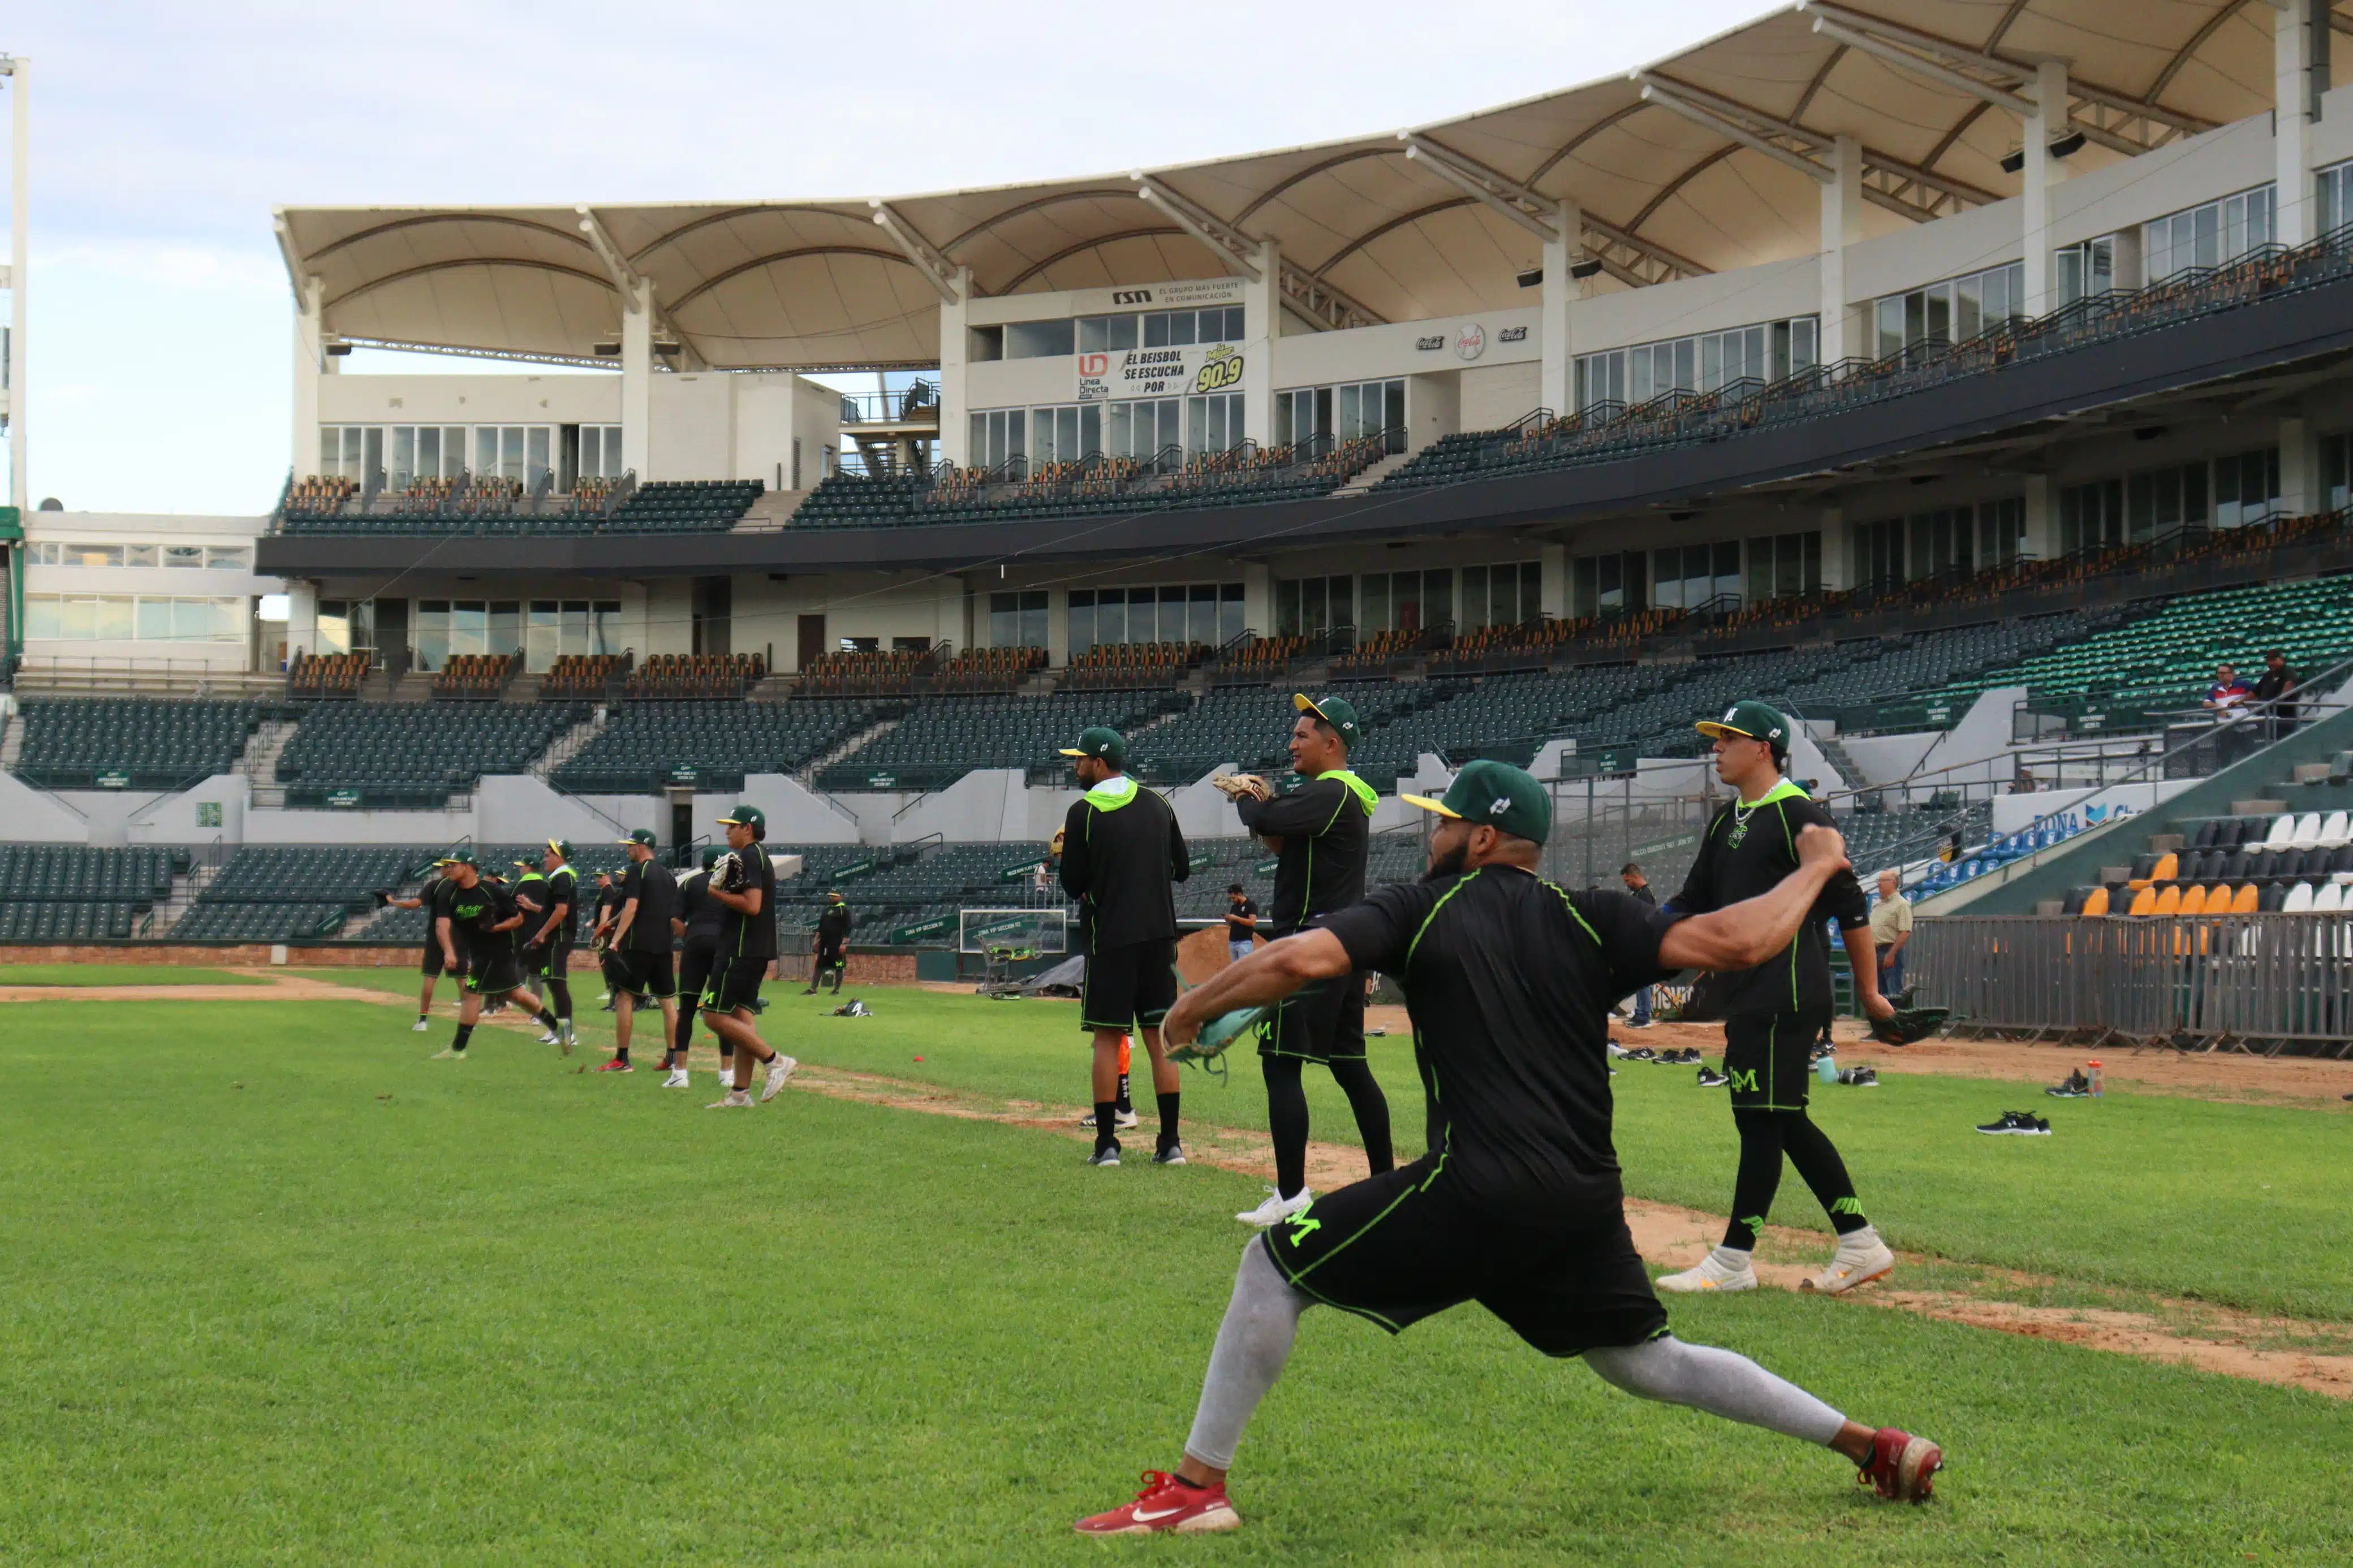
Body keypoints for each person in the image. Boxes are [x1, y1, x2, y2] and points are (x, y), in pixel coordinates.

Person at [1071, 761, 1943, 1535]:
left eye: (1444, 821)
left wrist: (1188, 1011)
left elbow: (1301, 959)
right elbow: (1744, 940)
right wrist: (1823, 865)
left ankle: (1195, 1489)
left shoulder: (1421, 906)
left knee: (1271, 1266)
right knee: (1645, 1359)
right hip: (1581, 1200)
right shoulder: (1595, 915)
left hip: (1476, 1189)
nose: (1433, 833)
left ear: (1483, 835)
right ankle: (1873, 1444)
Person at [1656, 702, 1898, 1298]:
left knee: (1762, 1122)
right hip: (1746, 991)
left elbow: (1852, 909)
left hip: (1787, 989)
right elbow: (1690, 900)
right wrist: (1627, 934)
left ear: (1762, 747)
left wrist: (1868, 993)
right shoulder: (1725, 819)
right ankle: (1858, 1239)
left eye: (1726, 739)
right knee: (1775, 1118)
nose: (1714, 748)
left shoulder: (1801, 816)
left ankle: (1734, 1258)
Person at [1216, 694, 1393, 1225]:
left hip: (1309, 948)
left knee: (1280, 1064)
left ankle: (1292, 1196)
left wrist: (1247, 798)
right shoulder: (1340, 799)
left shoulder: (1332, 792)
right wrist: (1261, 815)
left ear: (1332, 742)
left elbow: (1267, 814)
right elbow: (1282, 840)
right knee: (1350, 1066)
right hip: (1343, 947)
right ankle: (1387, 1186)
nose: (1292, 743)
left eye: (1303, 735)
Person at [1057, 725, 1190, 1168]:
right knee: (1160, 1040)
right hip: (1159, 937)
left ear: (1098, 762)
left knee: (1107, 1039)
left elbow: (1073, 882)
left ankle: (1107, 1145)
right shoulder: (1159, 803)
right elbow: (1182, 868)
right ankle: (1170, 1143)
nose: (1076, 767)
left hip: (1111, 938)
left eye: (1080, 759)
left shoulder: (1083, 813)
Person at [702, 805, 799, 1109]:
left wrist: (716, 893)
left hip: (740, 950)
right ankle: (740, 1094)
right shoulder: (757, 856)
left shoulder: (749, 856)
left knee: (713, 1014)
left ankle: (775, 1061)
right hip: (753, 949)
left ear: (748, 828)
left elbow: (752, 905)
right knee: (741, 1017)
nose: (727, 831)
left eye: (732, 826)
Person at [429, 851, 558, 1061]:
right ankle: (556, 1026)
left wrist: (495, 928)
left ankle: (458, 1049)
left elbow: (518, 920)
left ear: (468, 867)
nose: (449, 869)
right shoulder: (448, 894)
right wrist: (449, 951)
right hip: (478, 952)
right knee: (515, 995)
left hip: (499, 950)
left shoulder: (491, 891)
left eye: (454, 865)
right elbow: (441, 924)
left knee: (472, 993)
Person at [602, 829, 679, 1075]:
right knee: (667, 1001)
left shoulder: (637, 871)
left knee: (625, 997)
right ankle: (673, 1057)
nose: (627, 850)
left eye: (630, 845)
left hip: (639, 946)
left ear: (641, 846)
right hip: (664, 946)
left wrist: (614, 940)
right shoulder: (668, 876)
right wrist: (610, 923)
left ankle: (622, 1058)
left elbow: (632, 907)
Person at [663, 847, 725, 1089]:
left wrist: (690, 936)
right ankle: (727, 1073)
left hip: (696, 943)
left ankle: (680, 1073)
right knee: (723, 1010)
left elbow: (675, 920)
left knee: (687, 1009)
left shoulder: (689, 884)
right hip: (722, 945)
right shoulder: (731, 885)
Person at [521, 839, 580, 1052]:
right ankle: (559, 1029)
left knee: (557, 984)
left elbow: (562, 911)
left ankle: (567, 1033)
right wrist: (533, 907)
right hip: (556, 937)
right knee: (553, 984)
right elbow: (551, 910)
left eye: (548, 855)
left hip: (559, 937)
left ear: (559, 857)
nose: (544, 859)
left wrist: (542, 934)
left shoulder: (562, 877)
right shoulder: (559, 877)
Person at [389, 861, 456, 1031]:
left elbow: (415, 903)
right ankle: (470, 1018)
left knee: (430, 977)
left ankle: (423, 1020)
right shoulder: (464, 886)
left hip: (437, 936)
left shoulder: (435, 885)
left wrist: (394, 902)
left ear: (449, 867)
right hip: (458, 937)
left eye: (443, 867)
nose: (441, 870)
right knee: (464, 979)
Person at [1620, 863, 1656, 1027]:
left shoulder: (1646, 894)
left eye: (1628, 880)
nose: (1627, 884)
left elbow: (1645, 920)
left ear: (1635, 877)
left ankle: (1643, 1016)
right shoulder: (1638, 894)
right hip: (1638, 941)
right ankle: (1641, 1013)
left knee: (1643, 981)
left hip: (1644, 941)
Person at [1870, 870, 1912, 1000]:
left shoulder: (1902, 904)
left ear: (1893, 883)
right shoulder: (1877, 904)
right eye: (1878, 881)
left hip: (1890, 950)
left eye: (1882, 881)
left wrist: (1892, 954)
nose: (1879, 884)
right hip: (1874, 951)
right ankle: (1882, 1020)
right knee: (1879, 992)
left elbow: (1905, 931)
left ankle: (1896, 1017)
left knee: (1894, 991)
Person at [590, 871, 627, 1012]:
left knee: (609, 962)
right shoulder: (608, 891)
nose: (597, 879)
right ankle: (612, 995)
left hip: (609, 932)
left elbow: (607, 911)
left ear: (607, 877)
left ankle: (613, 994)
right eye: (596, 877)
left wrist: (601, 928)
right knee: (606, 962)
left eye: (600, 876)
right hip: (608, 930)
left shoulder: (608, 891)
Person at [807, 889, 851, 995]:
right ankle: (813, 989)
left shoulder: (843, 910)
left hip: (837, 944)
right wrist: (816, 940)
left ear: (840, 897)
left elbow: (848, 927)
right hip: (824, 944)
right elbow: (820, 927)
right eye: (831, 896)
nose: (831, 898)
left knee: (839, 966)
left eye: (834, 896)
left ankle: (836, 990)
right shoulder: (826, 909)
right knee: (819, 965)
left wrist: (844, 944)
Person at [2253, 647, 2299, 744]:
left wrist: (2279, 699)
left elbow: (2290, 684)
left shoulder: (2287, 670)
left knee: (2284, 740)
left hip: (2284, 714)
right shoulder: (2268, 675)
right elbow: (2255, 692)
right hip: (2268, 713)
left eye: (2274, 660)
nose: (2270, 663)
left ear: (2281, 660)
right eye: (2269, 661)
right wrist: (2240, 702)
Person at [1223, 884, 1259, 964]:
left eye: (1234, 898)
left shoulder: (1251, 905)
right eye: (1231, 898)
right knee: (1235, 970)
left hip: (1244, 942)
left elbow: (1252, 922)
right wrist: (1229, 920)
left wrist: (1236, 918)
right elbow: (1233, 924)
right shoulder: (1234, 907)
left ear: (1239, 894)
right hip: (1232, 942)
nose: (1232, 900)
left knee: (1245, 969)